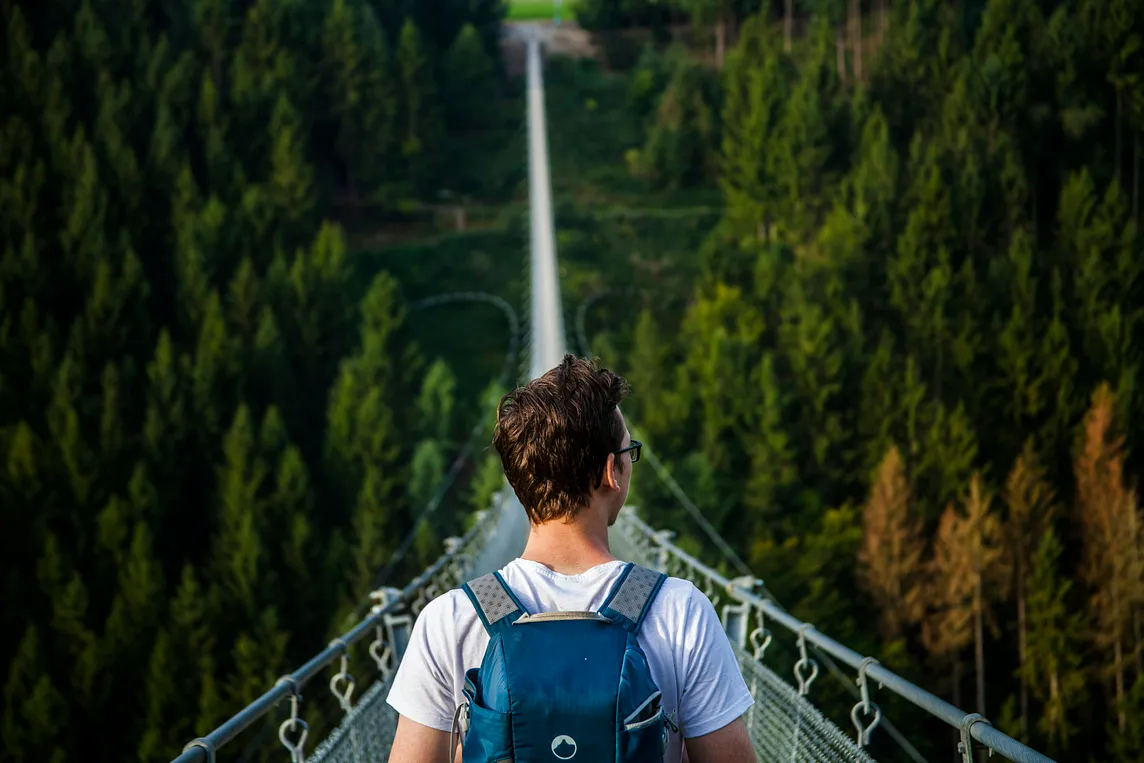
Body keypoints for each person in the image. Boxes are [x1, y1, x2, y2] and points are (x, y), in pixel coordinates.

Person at [386, 355, 756, 763]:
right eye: (629, 451)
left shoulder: (450, 619)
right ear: (610, 472)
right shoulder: (680, 610)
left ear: (516, 479)